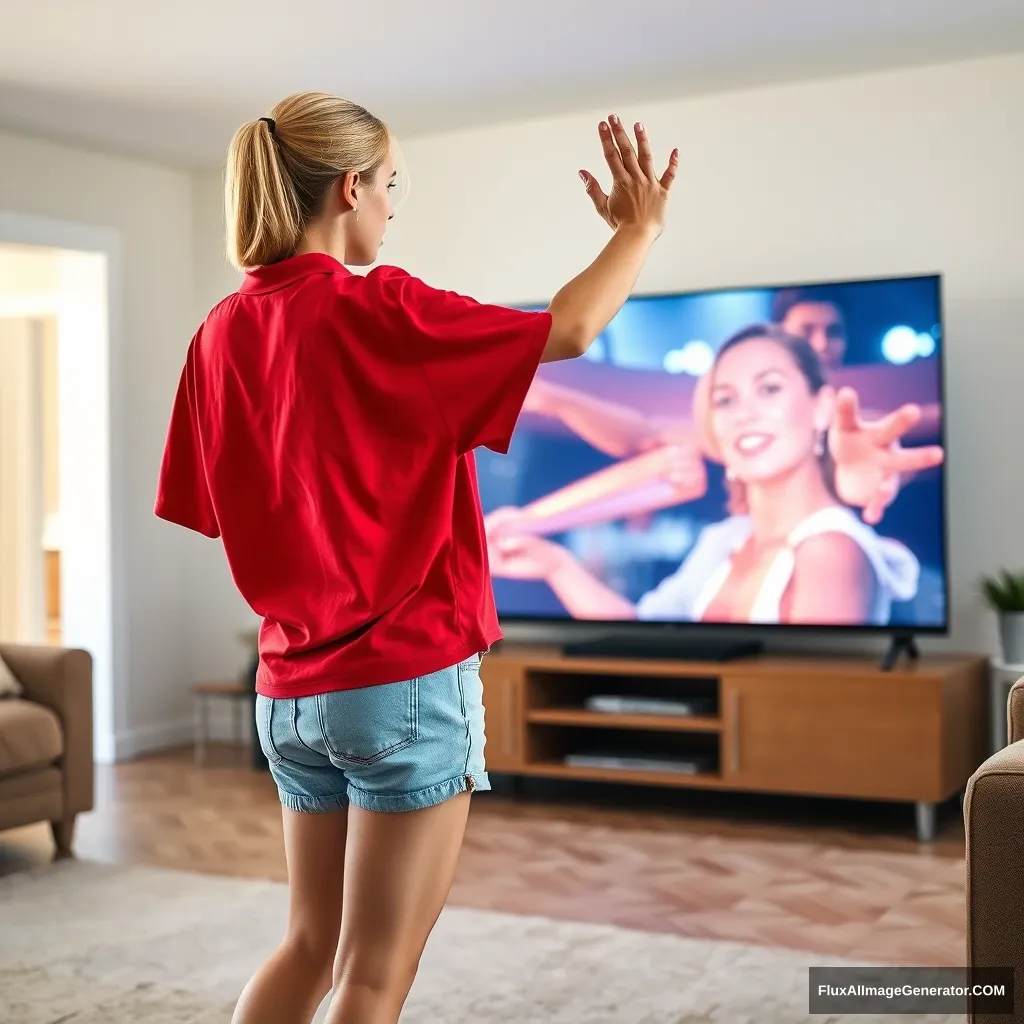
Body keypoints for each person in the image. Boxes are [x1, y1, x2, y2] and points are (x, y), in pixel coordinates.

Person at [153, 91, 678, 1024]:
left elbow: (216, 507)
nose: (395, 206)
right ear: (350, 187)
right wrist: (636, 231)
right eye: (392, 185)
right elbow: (567, 331)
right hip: (402, 682)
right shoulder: (381, 307)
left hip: (286, 691)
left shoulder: (217, 334)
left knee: (310, 947)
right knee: (372, 976)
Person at [487, 325, 920, 625]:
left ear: (821, 406)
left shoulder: (832, 548)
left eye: (769, 389)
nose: (744, 414)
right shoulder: (726, 540)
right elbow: (646, 632)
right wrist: (556, 565)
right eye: (725, 400)